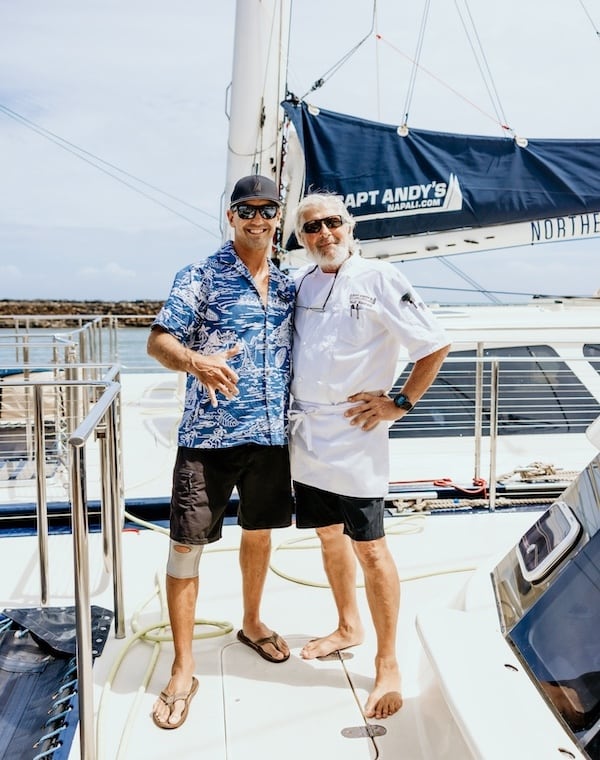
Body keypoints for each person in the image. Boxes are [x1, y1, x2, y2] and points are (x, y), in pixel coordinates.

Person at [289, 192, 450, 720]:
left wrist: (399, 402)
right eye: (311, 228)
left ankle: (386, 661)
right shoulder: (305, 284)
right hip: (308, 433)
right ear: (302, 237)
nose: (323, 234)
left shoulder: (381, 277)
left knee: (371, 549)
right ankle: (347, 625)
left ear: (349, 226)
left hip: (357, 434)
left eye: (332, 223)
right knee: (328, 535)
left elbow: (432, 346)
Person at [147, 174, 295, 730]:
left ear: (277, 217)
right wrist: (197, 362)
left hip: (269, 435)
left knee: (259, 533)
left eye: (267, 210)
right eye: (246, 209)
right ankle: (184, 665)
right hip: (208, 438)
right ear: (230, 216)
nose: (257, 219)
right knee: (185, 548)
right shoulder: (200, 276)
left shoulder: (286, 286)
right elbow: (159, 341)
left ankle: (252, 622)